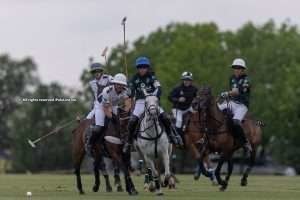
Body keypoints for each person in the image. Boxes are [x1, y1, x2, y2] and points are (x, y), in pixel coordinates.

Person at [123, 56, 183, 153]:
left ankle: (173, 136)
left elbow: (159, 88)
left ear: (147, 68)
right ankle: (128, 142)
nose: (142, 69)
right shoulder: (134, 79)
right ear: (137, 68)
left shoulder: (152, 77)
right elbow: (131, 93)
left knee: (165, 117)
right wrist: (129, 91)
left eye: (144, 67)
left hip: (152, 101)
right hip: (140, 102)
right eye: (140, 67)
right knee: (132, 121)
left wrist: (154, 97)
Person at [86, 73, 128, 157]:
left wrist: (126, 110)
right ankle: (89, 144)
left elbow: (128, 102)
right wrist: (113, 118)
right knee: (99, 127)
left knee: (123, 123)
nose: (120, 86)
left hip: (113, 105)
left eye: (122, 84)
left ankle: (126, 142)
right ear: (114, 83)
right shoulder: (107, 91)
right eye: (118, 84)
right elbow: (106, 109)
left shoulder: (126, 91)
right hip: (101, 106)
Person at [218, 58, 252, 154]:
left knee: (236, 122)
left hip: (242, 105)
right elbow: (232, 92)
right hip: (232, 103)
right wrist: (226, 96)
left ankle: (245, 142)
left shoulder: (246, 80)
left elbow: (236, 92)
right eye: (234, 68)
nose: (236, 70)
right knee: (216, 110)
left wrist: (226, 93)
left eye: (238, 68)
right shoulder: (232, 78)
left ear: (242, 69)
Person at [168, 72, 198, 140]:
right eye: (185, 80)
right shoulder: (177, 89)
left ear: (191, 81)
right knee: (179, 121)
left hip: (188, 108)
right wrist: (178, 99)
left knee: (199, 116)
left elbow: (197, 97)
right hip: (178, 109)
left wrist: (196, 100)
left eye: (189, 80)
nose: (187, 81)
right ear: (182, 80)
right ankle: (177, 138)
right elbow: (170, 97)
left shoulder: (194, 89)